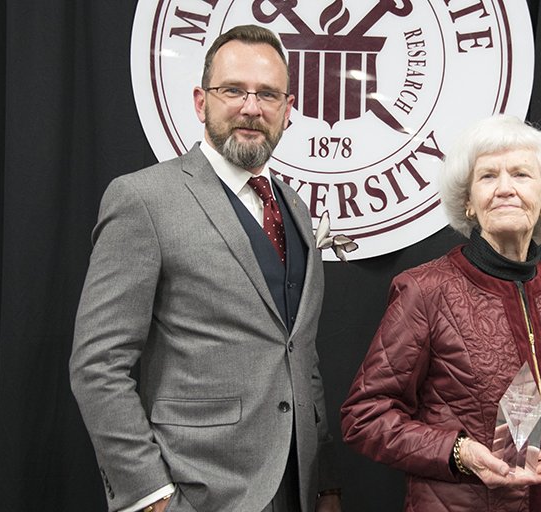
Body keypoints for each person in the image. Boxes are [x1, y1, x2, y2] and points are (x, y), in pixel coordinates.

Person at [70, 25, 340, 512]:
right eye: (233, 90)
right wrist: (152, 497)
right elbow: (97, 365)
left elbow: (301, 355)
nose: (251, 108)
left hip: (296, 491)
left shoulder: (296, 210)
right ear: (200, 102)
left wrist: (325, 485)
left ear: (288, 109)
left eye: (268, 95)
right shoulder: (143, 200)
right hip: (195, 491)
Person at [340, 115, 541, 511]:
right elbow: (364, 416)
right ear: (468, 203)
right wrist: (459, 453)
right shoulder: (425, 290)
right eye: (488, 177)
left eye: (522, 175)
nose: (505, 189)